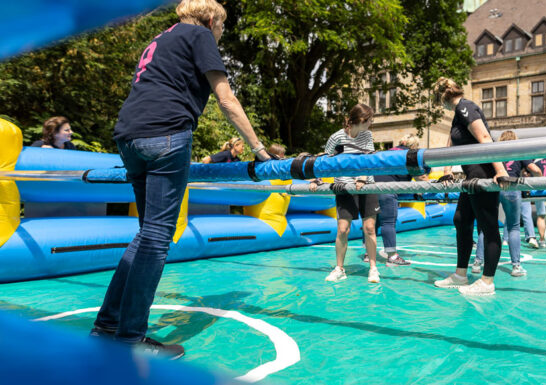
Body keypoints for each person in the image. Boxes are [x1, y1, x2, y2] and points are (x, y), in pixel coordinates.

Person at [90, 0, 271, 359]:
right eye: (221, 28)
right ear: (210, 20)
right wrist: (259, 148)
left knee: (146, 233)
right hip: (166, 133)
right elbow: (226, 99)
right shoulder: (200, 35)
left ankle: (107, 325)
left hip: (129, 136)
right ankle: (130, 339)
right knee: (157, 237)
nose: (219, 36)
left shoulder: (162, 39)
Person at [431, 77, 510, 296]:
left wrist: (500, 170)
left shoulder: (465, 107)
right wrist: (446, 171)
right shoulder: (458, 114)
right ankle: (460, 275)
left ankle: (487, 282)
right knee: (461, 219)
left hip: (483, 174)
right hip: (470, 176)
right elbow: (450, 144)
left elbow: (484, 137)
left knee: (488, 226)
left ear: (443, 97)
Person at [310, 104, 381, 284]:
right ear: (362, 120)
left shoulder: (367, 136)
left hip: (367, 185)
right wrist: (315, 179)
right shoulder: (336, 137)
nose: (372, 123)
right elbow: (325, 162)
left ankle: (373, 268)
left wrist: (363, 178)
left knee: (370, 228)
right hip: (344, 187)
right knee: (343, 229)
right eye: (370, 119)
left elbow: (369, 160)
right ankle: (339, 268)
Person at [472, 130, 529, 277]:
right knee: (514, 227)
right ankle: (516, 267)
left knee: (487, 227)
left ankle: (477, 263)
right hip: (512, 188)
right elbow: (534, 169)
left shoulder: (495, 150)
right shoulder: (518, 151)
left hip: (495, 187)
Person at [373, 133, 428, 266]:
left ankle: (368, 254)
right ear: (414, 146)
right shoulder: (409, 156)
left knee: (374, 222)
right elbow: (422, 178)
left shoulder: (389, 151)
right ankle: (392, 257)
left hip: (372, 187)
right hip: (387, 189)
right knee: (388, 222)